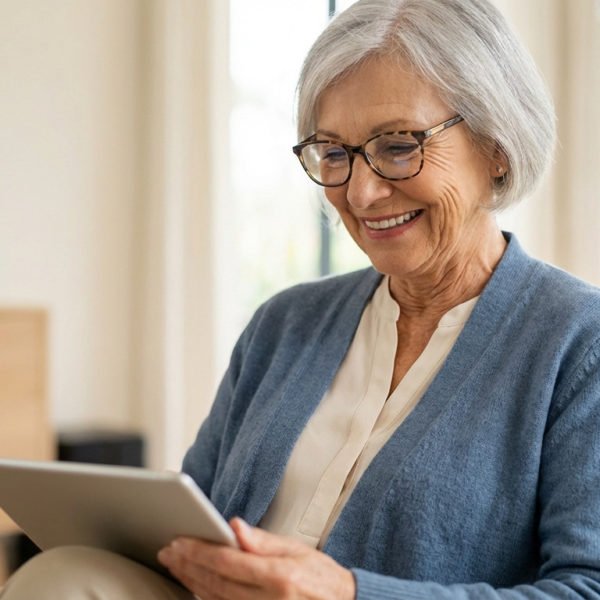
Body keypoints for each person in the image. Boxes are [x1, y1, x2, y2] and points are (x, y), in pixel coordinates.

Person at [2, 0, 600, 598]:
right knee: (62, 573)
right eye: (335, 154)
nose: (361, 193)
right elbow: (193, 516)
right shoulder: (284, 324)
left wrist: (346, 593)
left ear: (496, 144)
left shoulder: (578, 343)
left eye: (398, 146)